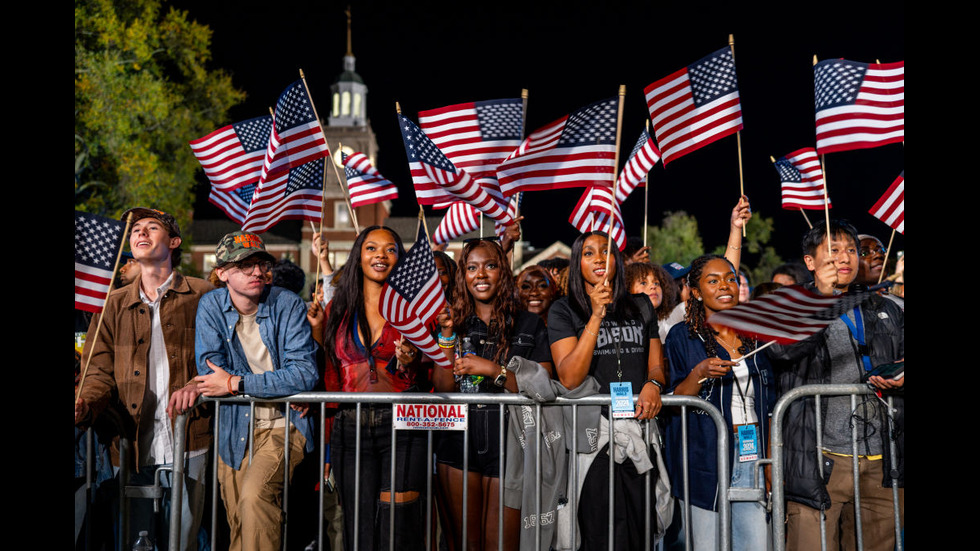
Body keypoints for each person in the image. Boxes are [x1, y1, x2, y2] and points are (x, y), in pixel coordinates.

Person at [75, 207, 213, 551]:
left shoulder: (204, 294)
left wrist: (197, 384)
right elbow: (97, 371)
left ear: (174, 242)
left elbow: (222, 358)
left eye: (152, 227)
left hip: (189, 439)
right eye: (136, 229)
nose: (141, 233)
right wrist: (86, 403)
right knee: (133, 541)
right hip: (130, 441)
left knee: (182, 540)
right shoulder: (112, 304)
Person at [769, 220, 904, 551]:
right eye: (833, 250)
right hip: (820, 460)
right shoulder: (789, 301)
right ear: (810, 262)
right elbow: (782, 351)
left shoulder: (885, 305)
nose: (845, 257)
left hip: (881, 461)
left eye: (851, 250)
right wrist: (825, 299)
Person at [194, 230, 319, 551]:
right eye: (243, 265)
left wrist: (237, 384)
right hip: (235, 429)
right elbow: (210, 371)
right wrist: (277, 382)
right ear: (222, 273)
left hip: (283, 425)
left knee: (255, 497)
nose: (256, 272)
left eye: (261, 264)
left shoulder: (286, 303)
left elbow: (304, 373)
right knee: (240, 522)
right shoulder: (210, 306)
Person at [309, 226, 428, 551]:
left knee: (397, 528)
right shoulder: (338, 311)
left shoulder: (414, 310)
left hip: (402, 428)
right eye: (372, 248)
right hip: (350, 430)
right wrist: (328, 445)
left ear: (400, 258)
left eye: (390, 249)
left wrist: (412, 359)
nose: (380, 255)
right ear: (359, 256)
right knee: (357, 530)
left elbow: (431, 369)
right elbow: (330, 376)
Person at [547, 231, 666, 550]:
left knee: (640, 533)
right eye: (589, 253)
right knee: (599, 535)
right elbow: (570, 377)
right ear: (577, 263)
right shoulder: (563, 310)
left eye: (607, 251)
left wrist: (654, 384)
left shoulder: (641, 306)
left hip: (638, 433)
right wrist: (596, 315)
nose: (600, 258)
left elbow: (656, 366)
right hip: (593, 439)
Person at [433, 238, 553, 550]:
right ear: (463, 275)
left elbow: (544, 384)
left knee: (501, 543)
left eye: (490, 266)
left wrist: (492, 369)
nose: (481, 274)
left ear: (503, 271)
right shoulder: (453, 321)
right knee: (465, 544)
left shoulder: (528, 322)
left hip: (510, 441)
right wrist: (446, 337)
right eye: (472, 267)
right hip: (458, 442)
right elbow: (444, 387)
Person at [664, 255, 775, 551]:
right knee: (707, 544)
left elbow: (769, 402)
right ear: (697, 292)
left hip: (751, 453)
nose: (725, 285)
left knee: (754, 543)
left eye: (730, 278)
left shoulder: (755, 335)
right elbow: (674, 402)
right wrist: (698, 373)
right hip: (705, 456)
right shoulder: (683, 336)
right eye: (713, 281)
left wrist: (769, 461)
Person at [625, 262, 680, 341]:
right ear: (627, 288)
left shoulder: (670, 329)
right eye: (643, 283)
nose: (653, 286)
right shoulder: (621, 329)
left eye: (656, 283)